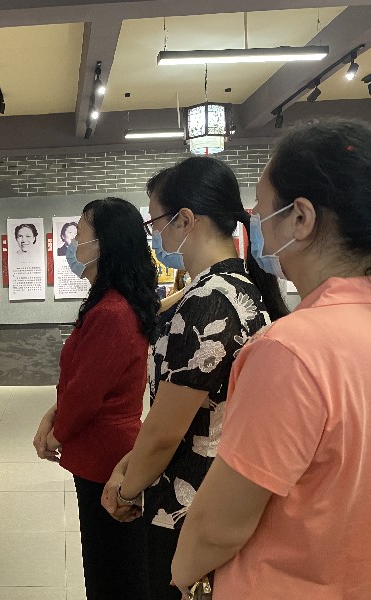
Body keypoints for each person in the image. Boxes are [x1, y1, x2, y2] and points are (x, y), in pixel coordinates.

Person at [172, 119, 371, 599]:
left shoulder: (291, 351)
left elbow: (219, 525)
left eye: (261, 203)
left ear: (300, 218)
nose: (254, 217)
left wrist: (182, 574)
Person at [100, 156, 289, 600]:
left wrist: (125, 489)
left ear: (185, 219)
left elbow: (167, 431)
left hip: (188, 503)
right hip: (216, 490)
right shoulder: (238, 287)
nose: (156, 237)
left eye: (157, 222)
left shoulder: (208, 302)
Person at [33, 197, 160, 599]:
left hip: (105, 455)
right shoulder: (113, 304)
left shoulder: (111, 311)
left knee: (112, 570)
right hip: (104, 449)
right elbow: (82, 381)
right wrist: (52, 415)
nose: (72, 244)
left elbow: (87, 395)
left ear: (103, 245)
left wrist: (55, 434)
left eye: (80, 235)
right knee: (113, 561)